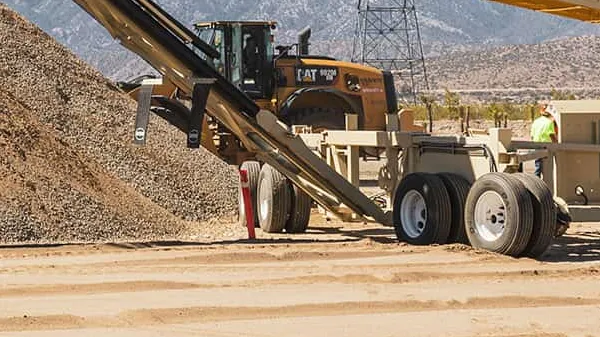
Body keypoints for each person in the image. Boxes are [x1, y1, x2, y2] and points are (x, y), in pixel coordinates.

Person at [530, 103, 558, 178]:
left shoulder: (536, 122)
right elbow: (552, 135)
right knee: (547, 170)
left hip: (536, 146)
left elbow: (532, 136)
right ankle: (546, 186)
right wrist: (557, 145)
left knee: (538, 167)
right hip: (546, 147)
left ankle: (537, 184)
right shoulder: (549, 122)